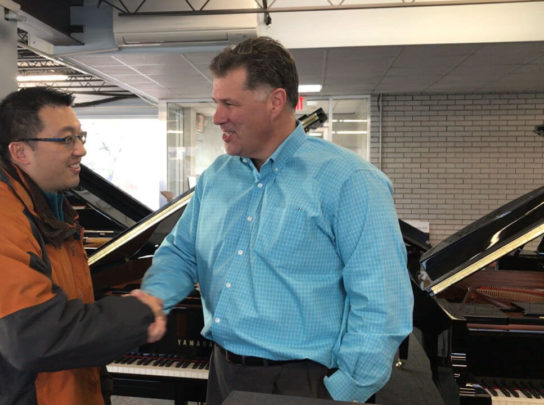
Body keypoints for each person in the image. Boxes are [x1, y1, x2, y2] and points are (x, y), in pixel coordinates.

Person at [138, 36, 413, 404]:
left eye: (229, 103)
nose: (217, 116)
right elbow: (182, 253)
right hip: (223, 372)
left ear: (275, 102)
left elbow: (382, 301)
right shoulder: (216, 176)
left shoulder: (350, 181)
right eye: (216, 102)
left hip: (304, 383)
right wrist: (154, 297)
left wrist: (345, 391)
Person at [0, 87, 166, 405]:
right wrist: (138, 313)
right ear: (21, 152)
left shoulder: (51, 216)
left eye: (81, 137)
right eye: (66, 139)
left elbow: (70, 316)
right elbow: (36, 337)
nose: (80, 150)